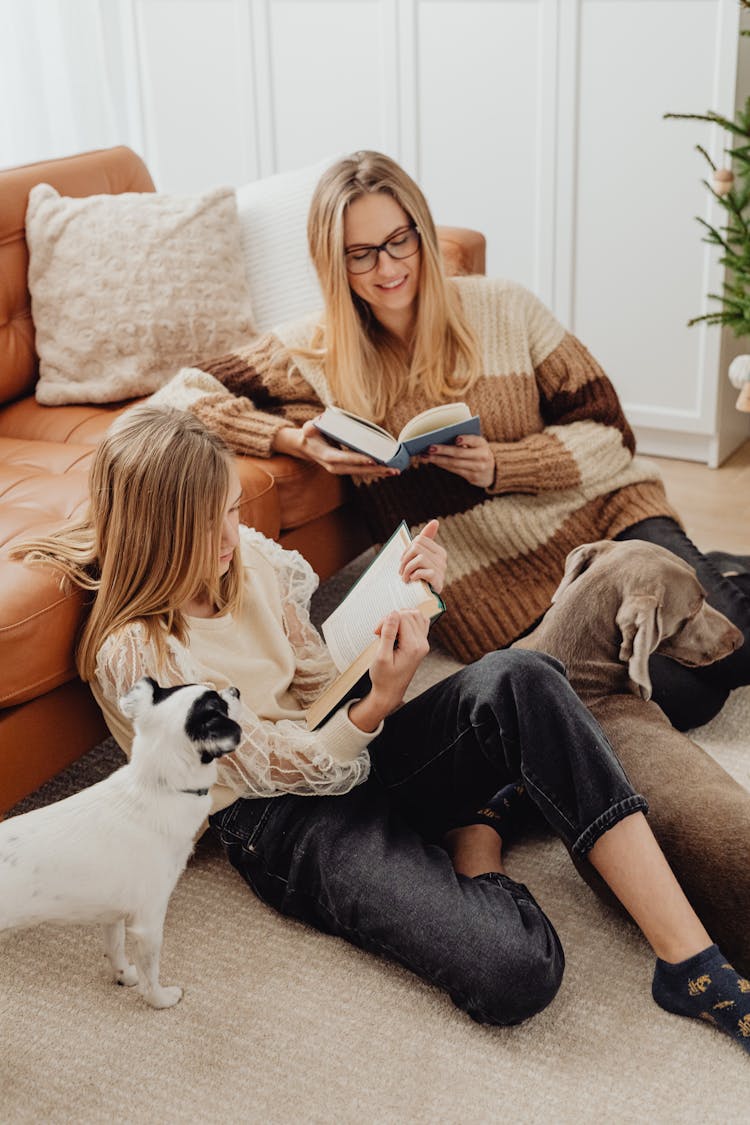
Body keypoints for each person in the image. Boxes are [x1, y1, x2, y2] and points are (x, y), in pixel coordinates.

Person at [13, 404, 750, 1053]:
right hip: (279, 823)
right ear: (157, 534)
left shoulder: (251, 563)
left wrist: (405, 607)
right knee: (515, 972)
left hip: (344, 742)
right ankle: (479, 825)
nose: (233, 538)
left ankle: (689, 961)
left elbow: (314, 682)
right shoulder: (136, 656)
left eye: (232, 511)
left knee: (524, 677)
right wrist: (378, 702)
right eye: (209, 527)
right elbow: (274, 766)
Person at [182, 150, 750, 733]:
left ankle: (716, 573)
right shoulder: (311, 351)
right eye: (361, 254)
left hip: (605, 512)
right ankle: (714, 570)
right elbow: (182, 392)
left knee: (736, 645)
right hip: (491, 579)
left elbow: (609, 434)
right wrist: (292, 439)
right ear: (334, 262)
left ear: (422, 232)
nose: (387, 267)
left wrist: (501, 465)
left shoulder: (504, 306)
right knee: (683, 695)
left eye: (399, 240)